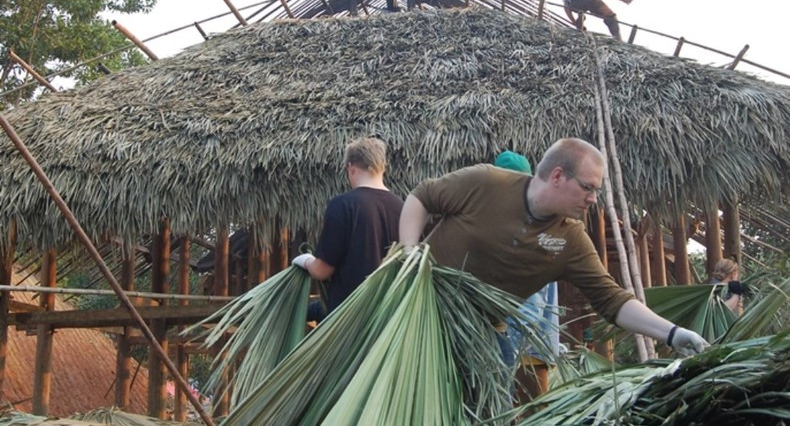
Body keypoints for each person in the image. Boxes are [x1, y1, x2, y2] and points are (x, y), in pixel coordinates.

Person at [399, 138, 709, 385]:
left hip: (478, 338)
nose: (592, 199)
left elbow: (611, 299)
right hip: (415, 311)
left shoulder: (571, 240)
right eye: (588, 187)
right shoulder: (486, 182)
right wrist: (409, 252)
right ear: (558, 176)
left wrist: (673, 333)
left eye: (596, 191)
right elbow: (423, 196)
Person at [292, 137, 404, 321]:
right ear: (382, 168)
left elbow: (322, 270)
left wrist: (304, 261)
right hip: (387, 320)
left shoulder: (343, 205)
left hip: (348, 322)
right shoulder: (402, 208)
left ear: (351, 168)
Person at [493, 151, 561, 400]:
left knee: (521, 406)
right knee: (533, 406)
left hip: (523, 333)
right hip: (533, 334)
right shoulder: (542, 221)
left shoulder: (531, 223)